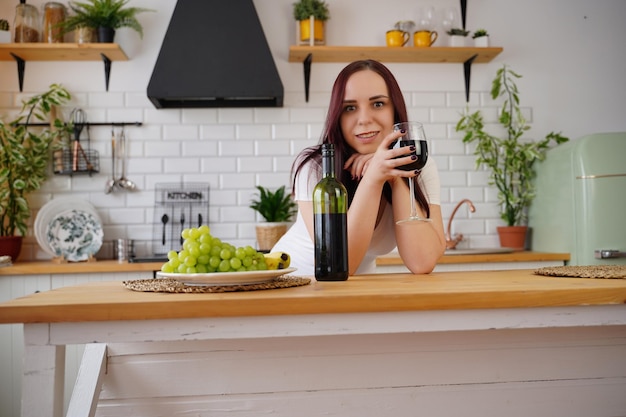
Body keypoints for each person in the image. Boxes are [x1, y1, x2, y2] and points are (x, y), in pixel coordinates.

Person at [272, 59, 446, 276]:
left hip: (353, 293)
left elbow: (423, 262)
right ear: (337, 116)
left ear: (395, 110)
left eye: (378, 104)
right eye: (350, 108)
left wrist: (393, 176)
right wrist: (373, 179)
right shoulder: (317, 168)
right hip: (294, 284)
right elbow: (341, 265)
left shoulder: (419, 165)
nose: (364, 119)